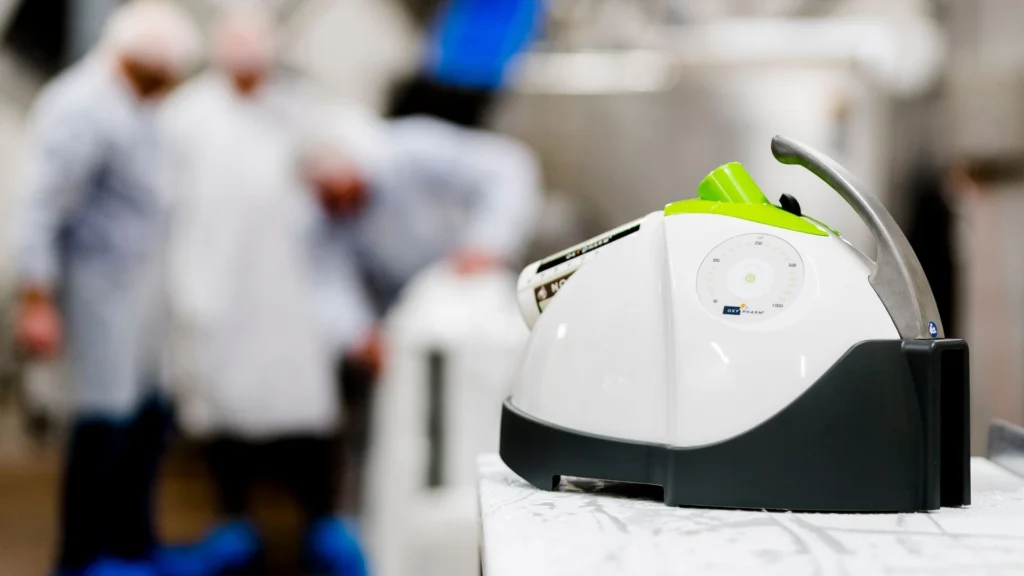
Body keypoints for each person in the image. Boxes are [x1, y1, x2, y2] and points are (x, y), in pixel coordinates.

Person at [158, 8, 369, 576]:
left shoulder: (297, 108)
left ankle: (321, 525)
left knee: (303, 406)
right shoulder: (186, 116)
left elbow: (347, 156)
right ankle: (233, 526)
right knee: (224, 411)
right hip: (213, 284)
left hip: (286, 288)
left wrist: (338, 174)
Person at [11, 2, 201, 575]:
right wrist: (36, 300)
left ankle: (134, 544)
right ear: (132, 61)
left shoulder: (139, 104)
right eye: (161, 76)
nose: (168, 88)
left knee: (147, 416)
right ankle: (81, 557)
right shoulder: (80, 107)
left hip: (140, 288)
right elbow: (39, 210)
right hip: (96, 287)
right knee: (103, 422)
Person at [311, 107, 542, 513]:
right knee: (409, 438)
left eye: (346, 193)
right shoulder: (328, 214)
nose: (341, 206)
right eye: (331, 199)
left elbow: (509, 168)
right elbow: (330, 278)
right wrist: (359, 335)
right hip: (408, 325)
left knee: (481, 412)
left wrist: (488, 242)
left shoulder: (411, 151)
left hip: (471, 303)